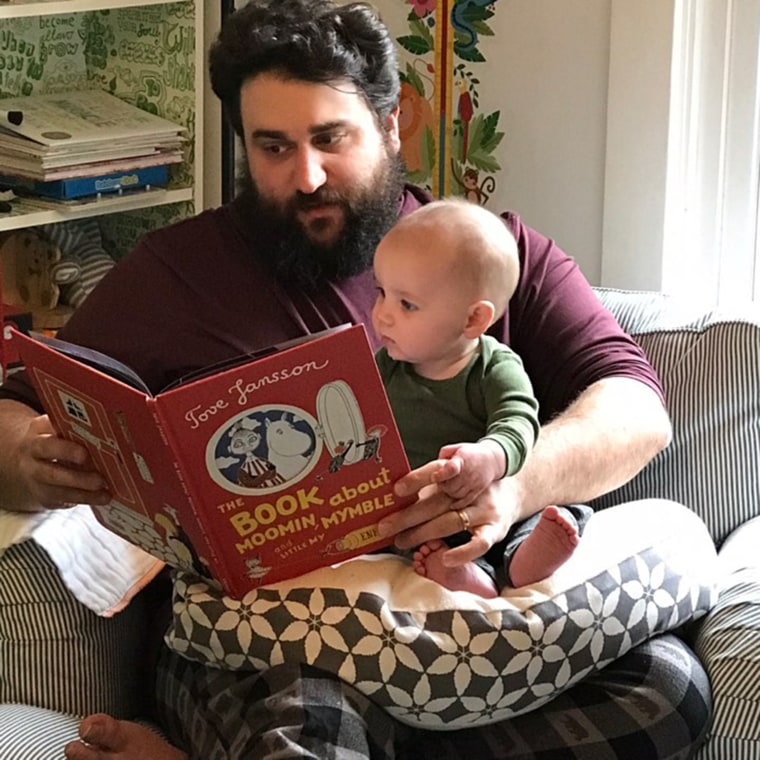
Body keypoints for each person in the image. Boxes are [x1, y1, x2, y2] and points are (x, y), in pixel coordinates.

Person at [0, 0, 711, 758]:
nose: (304, 176)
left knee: (665, 690)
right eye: (272, 148)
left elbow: (635, 408)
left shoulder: (495, 256)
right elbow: (15, 410)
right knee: (310, 724)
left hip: (473, 631)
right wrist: (26, 457)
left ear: (392, 122)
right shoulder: (172, 276)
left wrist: (509, 486)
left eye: (329, 139)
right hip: (276, 645)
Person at [372, 198, 589, 598]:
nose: (382, 314)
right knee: (397, 535)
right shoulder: (385, 366)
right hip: (414, 517)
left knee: (558, 514)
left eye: (406, 304)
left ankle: (521, 564)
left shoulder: (493, 366)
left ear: (473, 320)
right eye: (380, 292)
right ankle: (461, 573)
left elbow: (518, 421)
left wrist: (491, 456)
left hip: (486, 506)